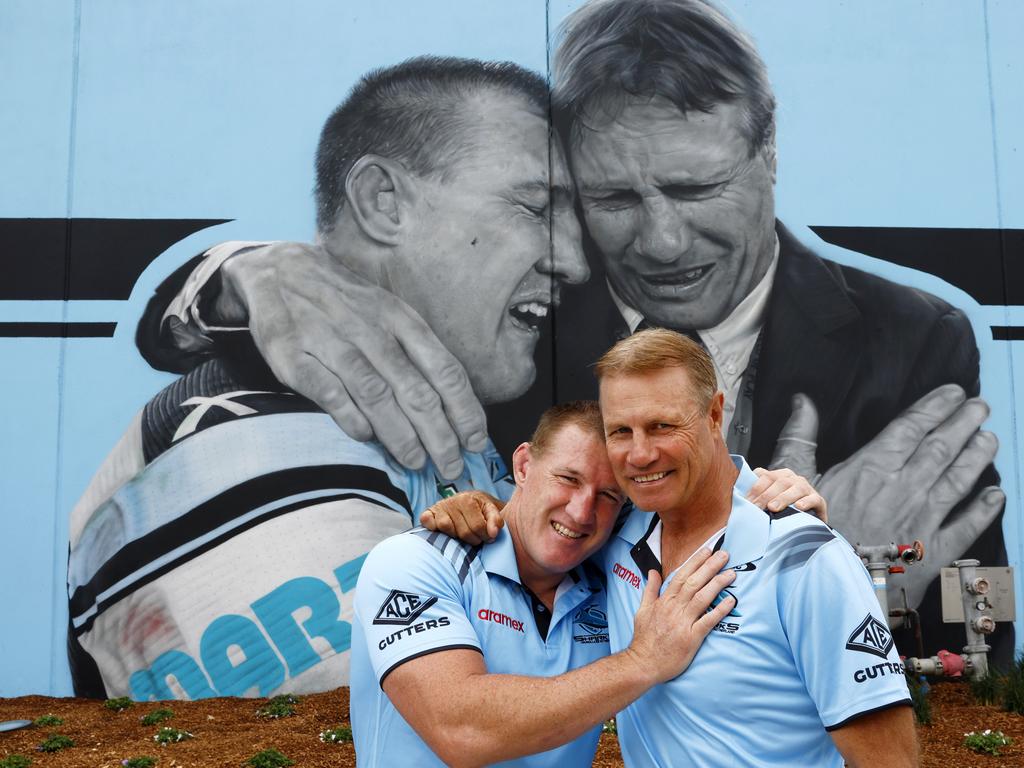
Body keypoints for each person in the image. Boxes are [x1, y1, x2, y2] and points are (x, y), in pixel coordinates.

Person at [131, 0, 1007, 661]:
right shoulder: (506, 341)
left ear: (768, 154)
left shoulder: (913, 341)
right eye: (612, 200)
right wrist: (237, 272)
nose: (660, 242)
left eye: (698, 190)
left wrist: (860, 578)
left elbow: (969, 629)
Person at [68, 55, 809, 700]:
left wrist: (752, 513)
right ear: (383, 201)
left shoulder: (439, 421)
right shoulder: (244, 446)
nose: (576, 262)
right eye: (534, 205)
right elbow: (421, 719)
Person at [432, 328, 917, 767]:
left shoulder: (805, 557)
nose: (640, 454)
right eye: (620, 431)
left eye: (662, 426)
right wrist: (481, 506)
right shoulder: (622, 528)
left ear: (713, 415)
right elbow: (553, 520)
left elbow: (889, 760)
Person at [351, 400, 738, 767]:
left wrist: (767, 490)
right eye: (568, 479)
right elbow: (460, 730)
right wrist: (643, 660)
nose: (582, 512)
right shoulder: (414, 560)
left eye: (608, 495)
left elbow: (709, 505)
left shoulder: (611, 577)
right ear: (522, 466)